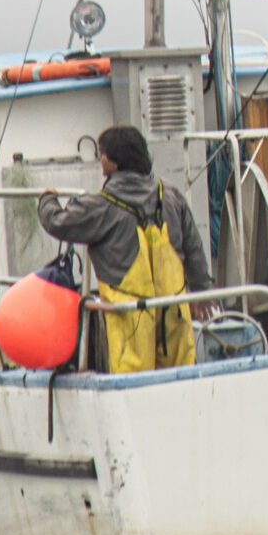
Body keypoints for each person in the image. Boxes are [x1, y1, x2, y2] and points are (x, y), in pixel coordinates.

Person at [36, 125, 215, 372]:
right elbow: (194, 248)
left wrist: (46, 200)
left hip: (130, 324)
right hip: (174, 318)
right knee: (180, 376)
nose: (101, 158)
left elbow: (57, 222)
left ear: (113, 163)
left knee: (134, 377)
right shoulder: (171, 196)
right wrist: (202, 291)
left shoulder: (101, 206)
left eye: (103, 153)